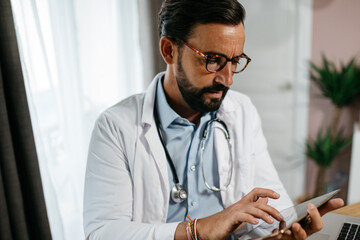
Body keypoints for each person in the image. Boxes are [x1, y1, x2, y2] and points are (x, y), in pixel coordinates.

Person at [83, 0, 344, 239]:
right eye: (213, 60)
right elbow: (102, 231)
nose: (228, 79)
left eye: (235, 61)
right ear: (169, 50)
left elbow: (272, 202)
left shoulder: (241, 111)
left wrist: (283, 229)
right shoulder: (115, 127)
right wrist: (199, 229)